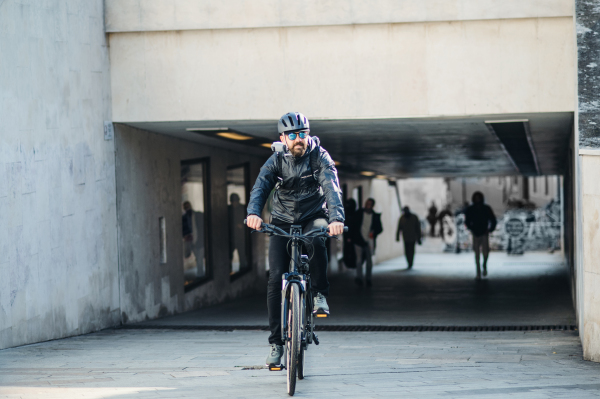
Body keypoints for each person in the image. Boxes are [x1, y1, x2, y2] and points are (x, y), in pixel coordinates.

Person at [245, 112, 345, 367]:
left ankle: (319, 294)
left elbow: (331, 186)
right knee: (275, 275)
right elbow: (261, 186)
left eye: (302, 133)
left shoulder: (319, 156)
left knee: (318, 239)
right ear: (283, 138)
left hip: (314, 215)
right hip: (282, 218)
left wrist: (336, 219)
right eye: (292, 135)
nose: (298, 139)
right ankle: (277, 344)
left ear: (308, 135)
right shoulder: (276, 159)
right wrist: (254, 214)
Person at [464, 191, 497, 280]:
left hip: (483, 232)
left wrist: (490, 230)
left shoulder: (484, 208)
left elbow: (493, 220)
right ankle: (478, 271)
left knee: (484, 253)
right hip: (477, 233)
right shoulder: (474, 209)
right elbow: (467, 221)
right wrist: (472, 228)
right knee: (477, 254)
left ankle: (483, 266)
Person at [353, 198, 383, 286]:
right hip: (358, 240)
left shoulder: (375, 216)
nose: (368, 206)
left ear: (372, 206)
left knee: (369, 261)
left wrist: (374, 232)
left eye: (370, 204)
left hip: (369, 241)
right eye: (367, 203)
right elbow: (353, 226)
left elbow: (380, 228)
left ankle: (368, 279)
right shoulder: (358, 213)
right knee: (358, 260)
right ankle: (359, 278)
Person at [228, 193, 247, 271]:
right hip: (230, 237)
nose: (234, 203)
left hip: (240, 237)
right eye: (233, 202)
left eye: (235, 201)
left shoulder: (242, 208)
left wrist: (242, 225)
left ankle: (242, 270)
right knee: (228, 256)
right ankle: (229, 270)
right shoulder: (228, 209)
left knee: (242, 255)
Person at [342, 198, 358, 270]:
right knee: (349, 249)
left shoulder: (350, 214)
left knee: (351, 249)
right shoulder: (349, 214)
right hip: (350, 235)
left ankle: (352, 263)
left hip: (352, 235)